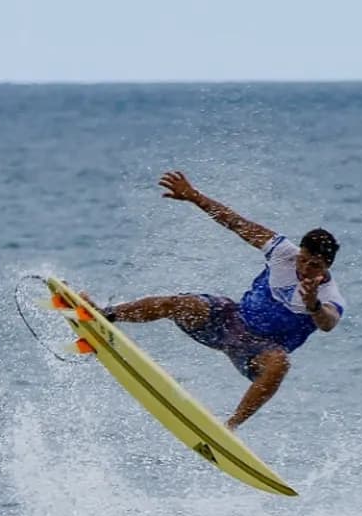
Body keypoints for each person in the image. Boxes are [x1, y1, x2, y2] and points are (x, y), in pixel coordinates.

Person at [95, 170, 344, 429]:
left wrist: (312, 304)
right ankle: (107, 314)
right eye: (303, 259)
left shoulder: (330, 295)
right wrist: (193, 196)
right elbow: (236, 223)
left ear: (327, 266)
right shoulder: (282, 252)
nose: (304, 268)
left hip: (257, 351)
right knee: (182, 303)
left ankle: (229, 427)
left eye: (314, 265)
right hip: (230, 321)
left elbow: (328, 323)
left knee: (280, 364)